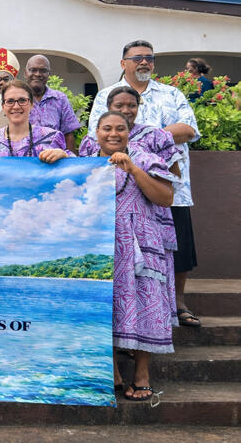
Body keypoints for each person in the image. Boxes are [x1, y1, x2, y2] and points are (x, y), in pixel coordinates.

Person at [89, 40, 201, 328]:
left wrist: (146, 138)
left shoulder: (170, 94)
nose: (144, 62)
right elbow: (95, 137)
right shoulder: (104, 95)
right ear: (123, 62)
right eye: (137, 57)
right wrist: (128, 137)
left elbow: (188, 129)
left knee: (177, 249)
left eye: (149, 58)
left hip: (166, 186)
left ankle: (176, 303)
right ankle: (127, 320)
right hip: (121, 191)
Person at [95, 111, 179, 401]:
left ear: (130, 132)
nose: (113, 134)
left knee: (144, 304)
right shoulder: (89, 161)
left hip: (141, 243)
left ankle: (142, 375)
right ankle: (113, 371)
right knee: (106, 305)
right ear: (97, 132)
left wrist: (133, 169)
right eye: (107, 128)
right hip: (103, 242)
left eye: (120, 129)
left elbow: (165, 197)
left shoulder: (144, 158)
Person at [0, 80, 70, 163]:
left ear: (31, 104)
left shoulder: (51, 138)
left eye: (22, 100)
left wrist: (64, 156)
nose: (16, 106)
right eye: (10, 101)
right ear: (3, 106)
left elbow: (74, 167)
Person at [24, 54, 81, 153]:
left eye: (43, 71)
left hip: (54, 161)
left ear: (49, 74)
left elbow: (68, 135)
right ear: (25, 73)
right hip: (24, 161)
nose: (38, 74)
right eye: (33, 70)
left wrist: (69, 162)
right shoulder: (18, 99)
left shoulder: (60, 99)